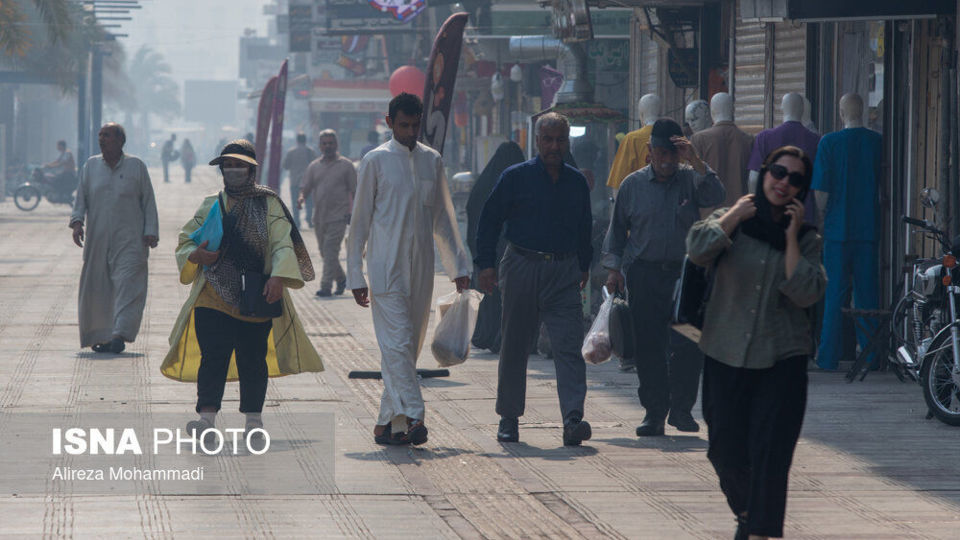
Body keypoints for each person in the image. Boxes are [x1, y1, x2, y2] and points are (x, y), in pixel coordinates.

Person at [687, 145, 825, 540]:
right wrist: (733, 215)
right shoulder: (731, 221)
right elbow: (697, 251)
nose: (784, 183)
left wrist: (792, 240)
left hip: (782, 357)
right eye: (778, 172)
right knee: (724, 450)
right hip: (724, 350)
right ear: (764, 173)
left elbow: (805, 292)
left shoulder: (808, 238)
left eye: (795, 179)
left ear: (803, 189)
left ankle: (762, 531)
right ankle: (748, 514)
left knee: (771, 455)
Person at [161, 140, 323, 438]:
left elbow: (281, 243)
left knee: (253, 358)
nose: (233, 170)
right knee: (213, 357)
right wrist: (196, 255)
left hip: (256, 295)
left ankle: (253, 421)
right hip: (211, 295)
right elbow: (186, 240)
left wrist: (278, 277)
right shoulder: (211, 203)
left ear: (252, 169)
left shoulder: (269, 203)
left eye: (239, 164)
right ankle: (206, 421)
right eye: (228, 164)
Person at [347, 93, 471, 446]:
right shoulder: (374, 162)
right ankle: (416, 415)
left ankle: (388, 424)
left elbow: (444, 220)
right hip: (385, 268)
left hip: (422, 269)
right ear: (389, 122)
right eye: (404, 125)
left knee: (407, 347)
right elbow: (358, 226)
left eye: (416, 125)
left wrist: (458, 265)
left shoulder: (433, 161)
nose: (410, 132)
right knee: (398, 343)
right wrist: (355, 275)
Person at [475, 112, 594, 446]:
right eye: (548, 139)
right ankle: (509, 418)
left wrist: (584, 264)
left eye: (560, 140)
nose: (554, 146)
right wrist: (485, 264)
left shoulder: (576, 182)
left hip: (563, 270)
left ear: (567, 141)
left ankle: (573, 418)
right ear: (537, 140)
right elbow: (489, 219)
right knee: (515, 343)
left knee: (569, 345)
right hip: (522, 265)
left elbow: (585, 227)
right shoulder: (515, 177)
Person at [603, 118, 725, 437]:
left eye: (673, 154)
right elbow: (616, 232)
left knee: (689, 342)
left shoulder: (690, 179)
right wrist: (614, 269)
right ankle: (654, 412)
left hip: (687, 274)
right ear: (650, 152)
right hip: (644, 273)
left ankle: (682, 410)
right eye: (661, 154)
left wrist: (696, 160)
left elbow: (716, 192)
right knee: (649, 345)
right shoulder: (632, 185)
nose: (668, 161)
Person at [69, 123, 158, 354]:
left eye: (106, 135)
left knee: (128, 286)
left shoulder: (136, 166)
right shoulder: (90, 166)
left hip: (130, 240)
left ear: (120, 140)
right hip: (98, 239)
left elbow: (148, 201)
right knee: (100, 289)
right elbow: (81, 198)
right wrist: (77, 222)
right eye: (100, 135)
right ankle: (104, 335)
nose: (101, 139)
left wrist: (151, 230)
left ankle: (119, 334)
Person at [465, 141, 526, 353]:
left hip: (488, 249)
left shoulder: (483, 184)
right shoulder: (522, 181)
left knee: (490, 295)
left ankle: (488, 334)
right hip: (515, 250)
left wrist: (478, 252)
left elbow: (473, 215)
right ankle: (508, 337)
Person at [299, 129, 356, 297]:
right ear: (320, 146)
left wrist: (352, 212)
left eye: (331, 143)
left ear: (336, 144)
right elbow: (306, 187)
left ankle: (325, 287)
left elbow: (355, 191)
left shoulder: (346, 165)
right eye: (324, 143)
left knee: (331, 251)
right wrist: (301, 198)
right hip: (319, 217)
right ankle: (342, 279)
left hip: (339, 217)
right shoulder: (314, 166)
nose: (328, 146)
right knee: (325, 253)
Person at [283, 133, 318, 229]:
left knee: (295, 202)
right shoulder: (310, 151)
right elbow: (316, 164)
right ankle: (309, 219)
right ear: (305, 140)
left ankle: (297, 222)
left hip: (294, 181)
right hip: (307, 181)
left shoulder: (291, 151)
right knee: (309, 202)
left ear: (297, 140)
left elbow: (285, 165)